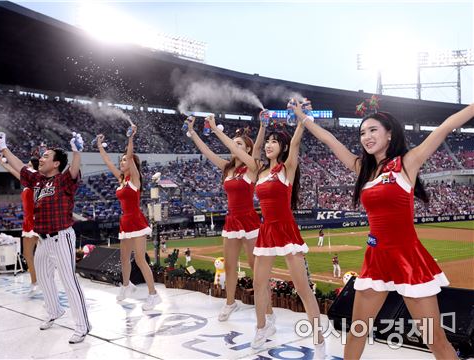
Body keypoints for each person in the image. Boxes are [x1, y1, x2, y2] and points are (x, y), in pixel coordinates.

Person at [297, 101, 474, 359]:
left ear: (389, 133)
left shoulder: (407, 163)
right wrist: (303, 118)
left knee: (435, 340)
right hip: (376, 259)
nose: (366, 137)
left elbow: (445, 127)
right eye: (362, 133)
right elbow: (331, 141)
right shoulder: (364, 170)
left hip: (409, 260)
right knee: (357, 330)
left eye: (372, 130)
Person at [0, 132, 91, 344]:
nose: (41, 158)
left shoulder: (63, 179)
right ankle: (55, 310)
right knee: (44, 278)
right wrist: (4, 148)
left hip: (61, 237)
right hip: (44, 240)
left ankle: (83, 326)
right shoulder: (37, 179)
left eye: (46, 156)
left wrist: (76, 152)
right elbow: (20, 166)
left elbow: (73, 171)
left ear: (56, 164)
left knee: (69, 281)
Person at [251, 103, 325, 355]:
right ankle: (262, 327)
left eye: (275, 141)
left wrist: (300, 118)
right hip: (266, 232)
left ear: (281, 147)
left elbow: (294, 144)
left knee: (302, 288)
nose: (270, 144)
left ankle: (319, 339)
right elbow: (255, 149)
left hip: (286, 230)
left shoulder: (287, 169)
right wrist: (262, 126)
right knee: (258, 283)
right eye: (268, 141)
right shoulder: (259, 172)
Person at [187, 115, 273, 323]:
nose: (234, 147)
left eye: (239, 144)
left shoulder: (253, 167)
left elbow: (259, 145)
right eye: (233, 144)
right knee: (230, 266)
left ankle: (268, 311)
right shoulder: (227, 168)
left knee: (257, 268)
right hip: (231, 221)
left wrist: (262, 125)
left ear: (248, 149)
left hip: (250, 221)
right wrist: (193, 132)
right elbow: (206, 152)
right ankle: (230, 302)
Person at [95, 125, 161, 311]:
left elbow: (130, 155)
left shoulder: (135, 179)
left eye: (125, 160)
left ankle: (153, 294)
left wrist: (130, 138)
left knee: (140, 259)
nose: (122, 162)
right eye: (121, 160)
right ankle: (126, 286)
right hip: (125, 222)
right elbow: (108, 162)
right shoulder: (121, 179)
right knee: (124, 258)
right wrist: (100, 146)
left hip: (136, 221)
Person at [0, 154, 40, 297]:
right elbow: (14, 171)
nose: (26, 166)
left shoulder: (37, 181)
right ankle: (35, 282)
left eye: (29, 165)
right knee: (27, 254)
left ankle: (44, 280)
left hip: (37, 221)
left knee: (42, 255)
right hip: (27, 222)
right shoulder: (27, 183)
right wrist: (2, 163)